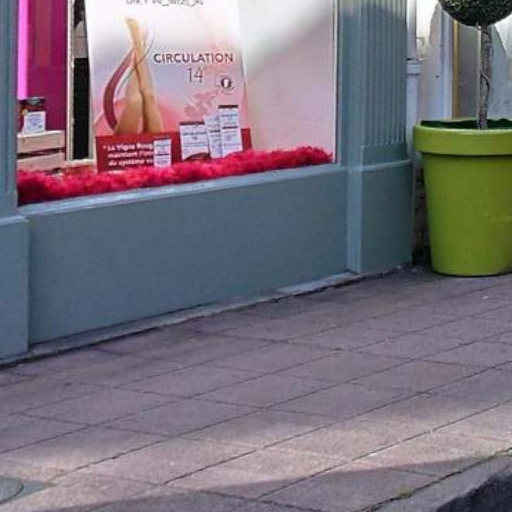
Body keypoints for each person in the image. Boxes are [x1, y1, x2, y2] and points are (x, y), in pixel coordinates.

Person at [114, 18, 164, 134]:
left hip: (123, 143)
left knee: (135, 101)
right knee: (148, 96)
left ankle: (137, 44)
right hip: (153, 142)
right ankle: (138, 45)